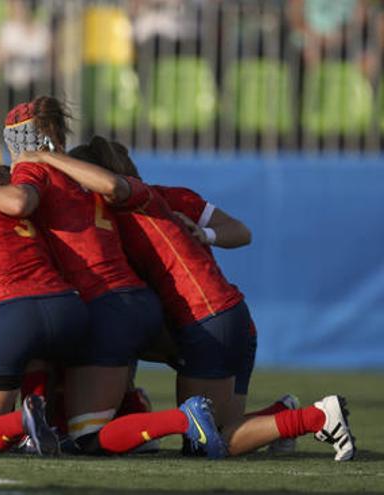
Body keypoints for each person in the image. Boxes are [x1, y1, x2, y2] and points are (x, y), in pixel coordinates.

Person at [20, 137, 356, 461]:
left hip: (205, 320)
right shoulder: (137, 204)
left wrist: (47, 157)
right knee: (223, 429)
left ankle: (317, 417)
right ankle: (283, 414)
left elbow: (240, 231)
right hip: (224, 317)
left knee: (206, 440)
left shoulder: (132, 200)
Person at [0, 97, 163, 451]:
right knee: (58, 365)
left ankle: (182, 419)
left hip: (101, 305)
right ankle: (128, 404)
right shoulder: (86, 168)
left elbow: (20, 202)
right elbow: (117, 189)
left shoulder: (33, 168)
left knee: (88, 440)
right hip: (139, 298)